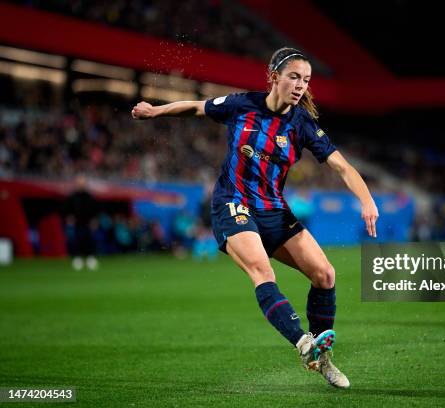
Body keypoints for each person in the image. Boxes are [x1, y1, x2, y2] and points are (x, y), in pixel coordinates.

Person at [131, 47, 379, 388]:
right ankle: (303, 343)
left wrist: (367, 200)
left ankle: (321, 359)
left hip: (274, 209)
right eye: (294, 77)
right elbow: (194, 107)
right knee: (263, 271)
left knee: (325, 274)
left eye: (306, 80)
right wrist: (154, 111)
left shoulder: (302, 124)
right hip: (233, 203)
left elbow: (342, 166)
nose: (300, 86)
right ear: (274, 77)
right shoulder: (241, 104)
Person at [64, 174, 99, 270]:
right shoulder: (72, 197)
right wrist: (69, 218)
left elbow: (95, 210)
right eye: (79, 182)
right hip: (76, 224)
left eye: (83, 183)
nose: (81, 184)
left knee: (90, 241)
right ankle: (77, 259)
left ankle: (90, 259)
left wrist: (94, 220)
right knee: (76, 241)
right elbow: (67, 210)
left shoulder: (90, 197)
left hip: (88, 223)